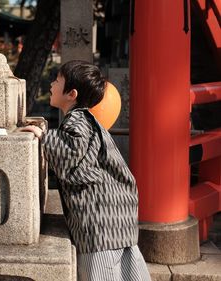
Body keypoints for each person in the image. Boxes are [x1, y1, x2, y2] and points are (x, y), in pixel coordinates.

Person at [21, 60, 151, 281]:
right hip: (114, 217)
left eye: (57, 80)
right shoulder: (86, 119)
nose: (52, 84)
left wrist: (44, 136)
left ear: (71, 93)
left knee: (101, 273)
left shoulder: (78, 120)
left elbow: (71, 151)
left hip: (99, 222)